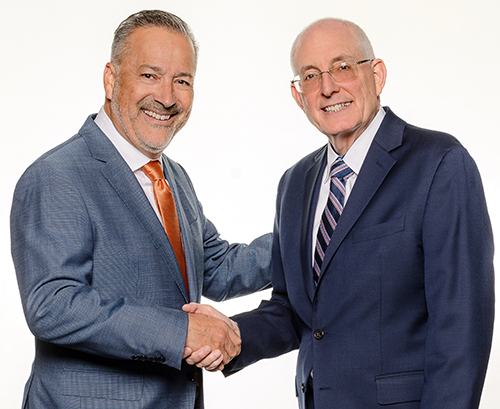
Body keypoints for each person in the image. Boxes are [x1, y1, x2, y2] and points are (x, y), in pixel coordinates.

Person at [183, 18, 495, 409]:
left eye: (343, 66)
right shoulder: (295, 182)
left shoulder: (439, 163)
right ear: (298, 95)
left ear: (376, 75)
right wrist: (229, 336)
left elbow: (462, 326)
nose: (327, 87)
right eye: (311, 76)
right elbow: (295, 311)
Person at [10, 10, 272, 409]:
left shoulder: (172, 176)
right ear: (111, 79)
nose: (166, 98)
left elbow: (216, 268)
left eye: (182, 81)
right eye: (150, 75)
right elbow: (53, 305)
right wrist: (181, 332)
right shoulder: (56, 175)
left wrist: (313, 236)